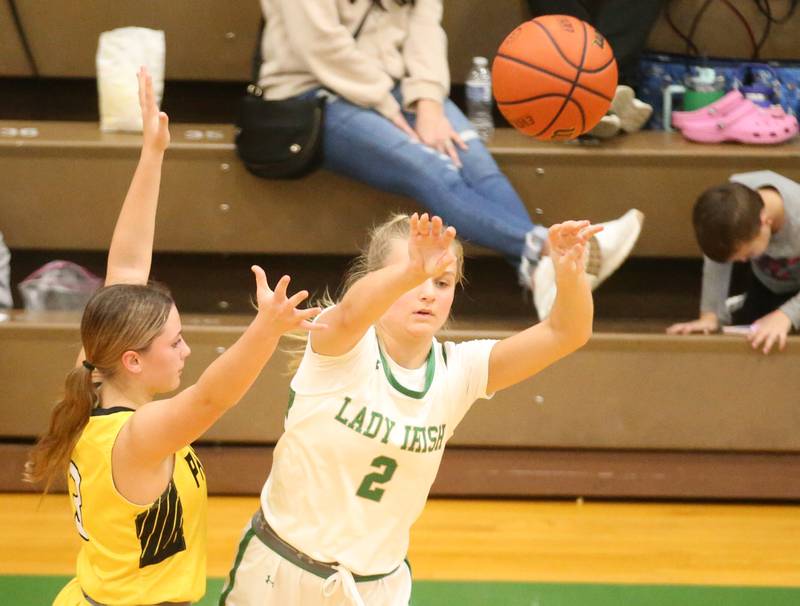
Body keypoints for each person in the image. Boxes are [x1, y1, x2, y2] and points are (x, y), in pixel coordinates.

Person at [24, 67, 322, 606]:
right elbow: (213, 395)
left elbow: (128, 267)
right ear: (134, 361)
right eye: (175, 342)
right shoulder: (140, 435)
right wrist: (267, 327)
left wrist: (153, 154)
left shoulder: (94, 375)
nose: (186, 350)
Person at [219, 211, 600, 605]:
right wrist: (412, 269)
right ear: (377, 280)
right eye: (414, 278)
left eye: (442, 282)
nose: (428, 292)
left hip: (378, 585)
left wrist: (569, 271)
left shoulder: (461, 370)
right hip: (281, 571)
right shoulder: (340, 346)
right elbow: (352, 312)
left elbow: (566, 332)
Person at [255, 0, 644, 319]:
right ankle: (547, 251)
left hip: (397, 86)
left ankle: (539, 271)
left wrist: (427, 101)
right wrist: (388, 109)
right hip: (313, 93)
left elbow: (425, 30)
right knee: (431, 168)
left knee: (474, 162)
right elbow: (320, 45)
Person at [667, 171, 800, 355]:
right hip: (767, 284)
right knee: (754, 340)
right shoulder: (731, 202)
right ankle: (744, 304)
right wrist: (710, 316)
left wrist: (786, 316)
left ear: (764, 221)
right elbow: (717, 262)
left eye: (749, 254)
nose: (743, 260)